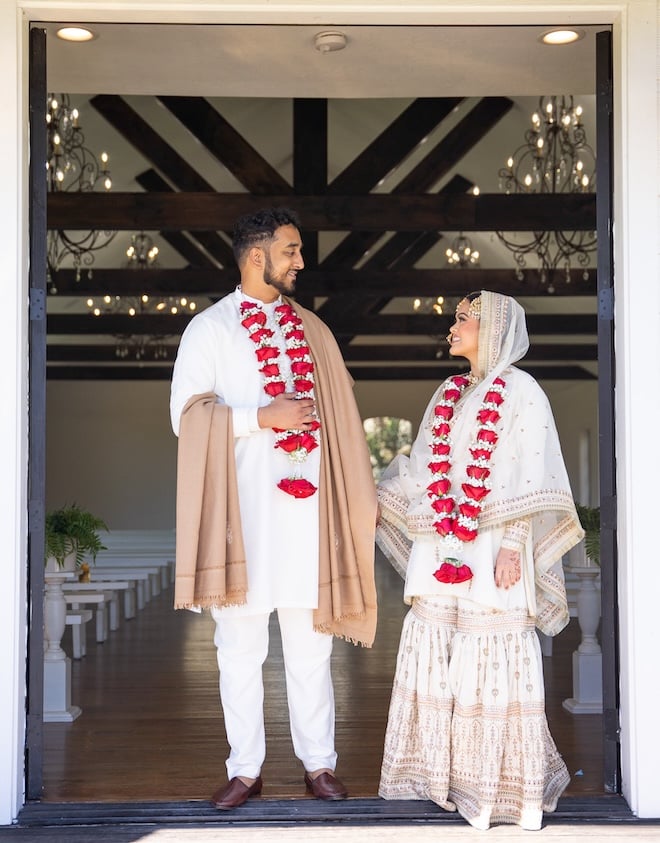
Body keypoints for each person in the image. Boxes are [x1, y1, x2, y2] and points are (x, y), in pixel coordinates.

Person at [170, 207, 377, 810]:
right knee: (239, 648)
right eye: (291, 250)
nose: (301, 261)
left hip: (309, 521)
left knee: (313, 647)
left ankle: (319, 765)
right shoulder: (209, 330)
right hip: (244, 522)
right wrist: (262, 417)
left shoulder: (315, 331)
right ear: (256, 256)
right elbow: (185, 418)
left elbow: (341, 421)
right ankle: (246, 769)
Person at [375, 290, 584, 831]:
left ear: (491, 329)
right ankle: (434, 778)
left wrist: (515, 543)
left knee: (490, 650)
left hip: (494, 547)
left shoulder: (523, 391)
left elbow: (530, 474)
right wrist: (376, 495)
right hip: (444, 543)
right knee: (436, 647)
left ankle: (495, 791)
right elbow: (424, 468)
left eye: (463, 319)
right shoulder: (448, 392)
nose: (452, 328)